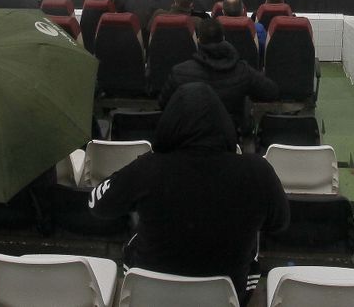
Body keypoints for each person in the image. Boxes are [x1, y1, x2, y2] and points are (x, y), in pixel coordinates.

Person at [89, 83, 289, 305]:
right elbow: (280, 223)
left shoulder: (148, 168)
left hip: (151, 295)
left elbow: (97, 205)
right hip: (229, 296)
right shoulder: (257, 172)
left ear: (170, 123)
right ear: (223, 124)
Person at [160, 17, 279, 134]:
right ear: (223, 38)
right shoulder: (242, 71)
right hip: (229, 138)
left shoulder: (179, 72)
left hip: (190, 137)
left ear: (198, 40)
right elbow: (271, 92)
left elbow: (163, 104)